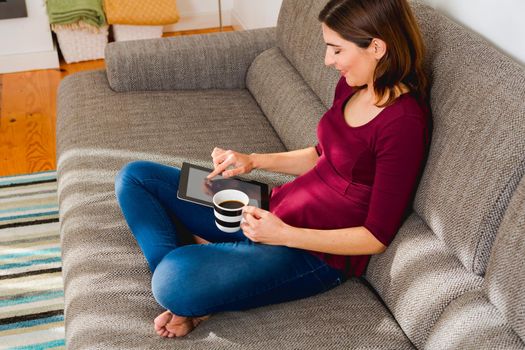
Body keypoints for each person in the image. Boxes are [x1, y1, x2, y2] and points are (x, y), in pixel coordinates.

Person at [114, 0, 430, 338]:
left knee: (171, 281)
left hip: (307, 252)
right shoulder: (353, 86)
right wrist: (253, 159)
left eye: (337, 50)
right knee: (136, 177)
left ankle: (194, 278)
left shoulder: (404, 124)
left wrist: (284, 235)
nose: (328, 61)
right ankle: (195, 281)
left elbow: (376, 237)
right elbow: (322, 155)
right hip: (266, 206)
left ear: (377, 48)